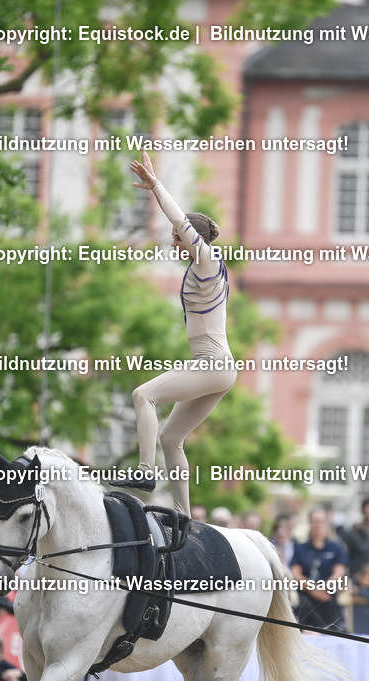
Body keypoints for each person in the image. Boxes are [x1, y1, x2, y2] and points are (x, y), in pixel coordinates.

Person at [111, 151, 237, 515]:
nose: (173, 242)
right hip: (217, 367)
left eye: (177, 238)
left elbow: (179, 219)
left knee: (143, 396)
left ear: (192, 237)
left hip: (213, 364)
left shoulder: (207, 260)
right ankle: (185, 518)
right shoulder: (203, 267)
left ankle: (145, 472)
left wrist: (156, 187)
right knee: (171, 437)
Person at [290, 508, 348, 631]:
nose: (317, 525)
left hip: (328, 598)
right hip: (306, 600)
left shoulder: (336, 548)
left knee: (337, 632)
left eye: (321, 521)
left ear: (327, 524)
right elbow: (296, 573)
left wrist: (324, 587)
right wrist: (313, 589)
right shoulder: (301, 548)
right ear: (309, 524)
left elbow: (339, 572)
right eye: (314, 521)